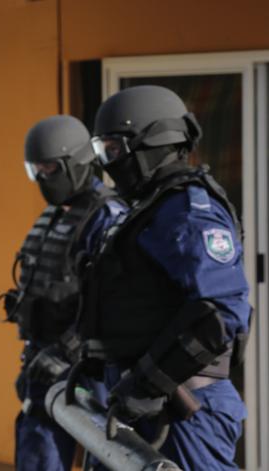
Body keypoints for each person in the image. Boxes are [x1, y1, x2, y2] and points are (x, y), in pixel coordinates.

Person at [80, 85, 250, 470]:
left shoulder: (187, 211)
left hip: (184, 409)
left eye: (114, 150)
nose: (108, 163)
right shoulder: (147, 210)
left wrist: (148, 384)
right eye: (101, 150)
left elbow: (219, 315)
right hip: (137, 402)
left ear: (154, 143)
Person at [0, 115, 125, 471]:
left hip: (90, 368)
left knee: (107, 458)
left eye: (50, 168)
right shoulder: (52, 216)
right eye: (36, 170)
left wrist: (66, 352)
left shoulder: (107, 217)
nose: (43, 179)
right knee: (38, 457)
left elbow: (111, 305)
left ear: (76, 162)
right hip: (43, 364)